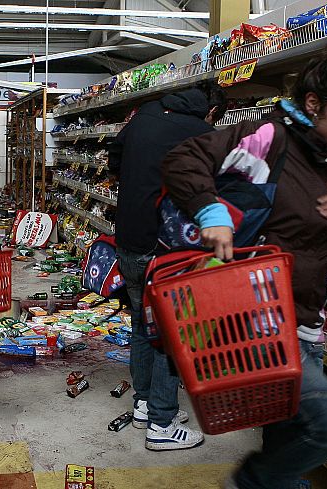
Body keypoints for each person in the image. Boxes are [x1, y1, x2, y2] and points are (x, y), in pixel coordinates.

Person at [160, 46, 327, 488]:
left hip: (307, 325)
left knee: (288, 446)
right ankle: (249, 481)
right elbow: (183, 159)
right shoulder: (268, 138)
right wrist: (210, 211)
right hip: (258, 321)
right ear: (314, 103)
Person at [107, 81, 228, 451]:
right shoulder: (201, 132)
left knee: (141, 325)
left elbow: (114, 159)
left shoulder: (145, 114)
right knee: (171, 334)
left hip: (127, 238)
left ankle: (144, 405)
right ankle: (161, 423)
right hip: (163, 248)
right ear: (211, 112)